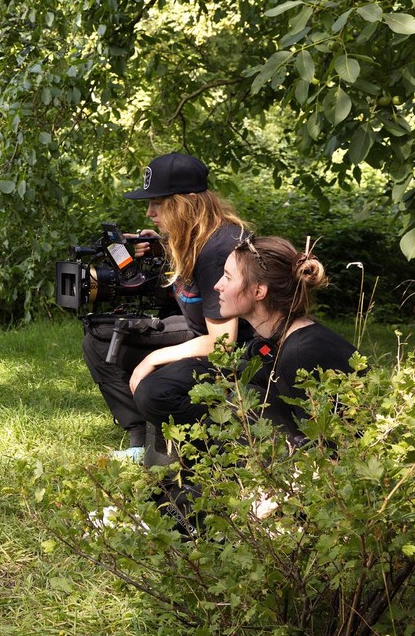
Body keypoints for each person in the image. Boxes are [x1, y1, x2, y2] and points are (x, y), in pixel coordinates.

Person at [82, 152, 252, 464]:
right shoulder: (193, 237)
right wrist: (162, 245)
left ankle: (200, 453)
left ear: (185, 203)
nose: (149, 212)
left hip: (238, 355)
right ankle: (139, 439)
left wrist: (153, 358)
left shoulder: (219, 250)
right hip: (198, 331)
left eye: (158, 203)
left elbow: (224, 343)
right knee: (98, 337)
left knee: (152, 386)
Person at [213, 235, 357, 443]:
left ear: (259, 291)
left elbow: (327, 449)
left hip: (356, 461)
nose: (218, 285)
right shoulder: (274, 342)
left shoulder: (298, 356)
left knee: (243, 400)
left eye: (228, 277)